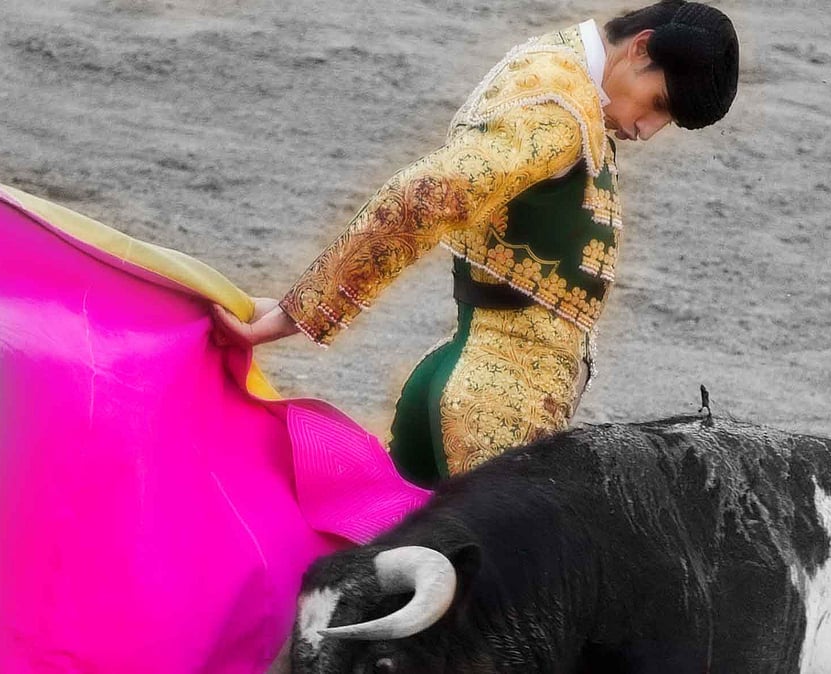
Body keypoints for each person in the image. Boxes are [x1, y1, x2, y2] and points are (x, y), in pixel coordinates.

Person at [215, 0, 740, 487]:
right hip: (496, 409)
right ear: (640, 47)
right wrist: (302, 309)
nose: (648, 130)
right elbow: (426, 195)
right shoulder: (558, 111)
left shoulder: (559, 74)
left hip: (470, 383)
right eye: (659, 105)